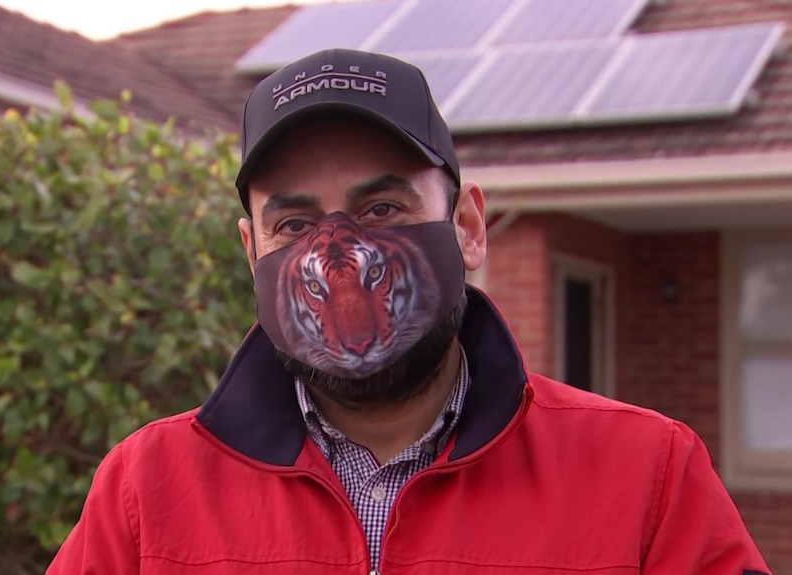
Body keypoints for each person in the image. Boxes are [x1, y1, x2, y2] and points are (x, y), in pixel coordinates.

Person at [46, 48, 772, 575]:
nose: (339, 245)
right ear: (251, 251)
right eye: (294, 225)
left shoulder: (650, 477)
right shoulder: (145, 490)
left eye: (383, 206)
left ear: (468, 226)